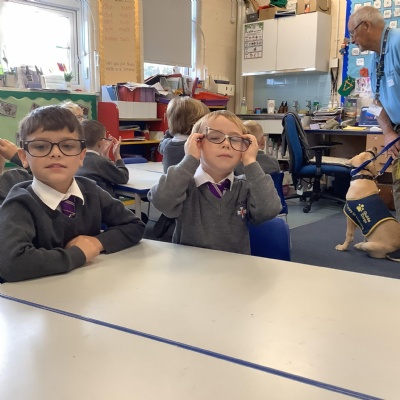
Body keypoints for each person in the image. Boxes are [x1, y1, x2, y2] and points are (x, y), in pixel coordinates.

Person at [0, 105, 145, 283]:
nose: (55, 153)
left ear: (81, 156)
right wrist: (77, 254)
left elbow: (134, 225)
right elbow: (11, 264)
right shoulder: (19, 203)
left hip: (86, 288)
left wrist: (97, 243)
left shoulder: (90, 191)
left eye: (68, 146)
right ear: (23, 157)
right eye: (41, 146)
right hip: (40, 296)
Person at [147, 110, 282, 254]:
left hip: (234, 266)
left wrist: (250, 161)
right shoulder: (184, 186)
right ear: (197, 143)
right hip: (190, 266)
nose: (226, 144)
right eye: (215, 137)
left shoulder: (246, 187)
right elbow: (161, 200)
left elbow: (269, 209)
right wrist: (190, 159)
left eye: (235, 139)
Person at [348, 6, 400, 219]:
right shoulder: (374, 59)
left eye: (352, 33)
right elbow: (375, 101)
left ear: (366, 26)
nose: (352, 40)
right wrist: (388, 132)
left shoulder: (397, 43)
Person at [76, 119, 129, 197]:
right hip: (103, 203)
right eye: (105, 138)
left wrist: (104, 155)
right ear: (100, 142)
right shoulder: (99, 162)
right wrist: (117, 155)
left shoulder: (74, 159)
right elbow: (123, 177)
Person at [159, 96, 210, 173]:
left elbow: (161, 144)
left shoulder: (167, 144)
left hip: (172, 179)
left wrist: (172, 129)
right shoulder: (198, 146)